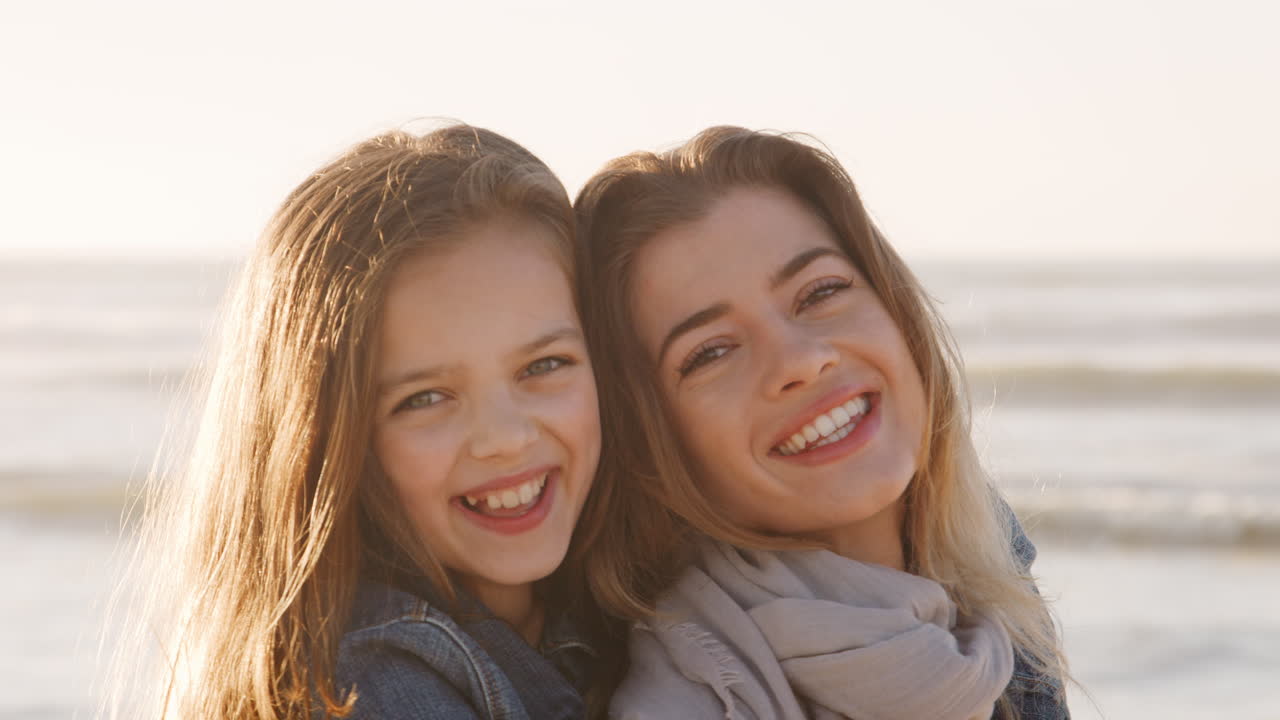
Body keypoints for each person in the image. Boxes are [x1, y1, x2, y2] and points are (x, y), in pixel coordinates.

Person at [112, 125, 612, 719]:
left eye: (545, 365)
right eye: (425, 398)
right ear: (327, 440)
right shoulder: (364, 689)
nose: (506, 437)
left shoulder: (601, 624)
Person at [573, 126, 1071, 720]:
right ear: (653, 445)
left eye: (821, 291)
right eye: (710, 352)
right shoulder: (686, 703)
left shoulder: (994, 595)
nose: (802, 361)